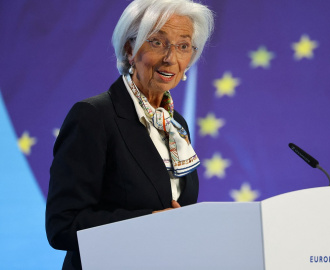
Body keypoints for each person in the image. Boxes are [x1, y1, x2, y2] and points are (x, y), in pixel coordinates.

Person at [45, 0, 214, 269]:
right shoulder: (93, 116)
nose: (171, 58)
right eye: (157, 42)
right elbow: (62, 225)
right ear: (129, 49)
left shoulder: (175, 124)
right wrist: (148, 222)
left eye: (183, 46)